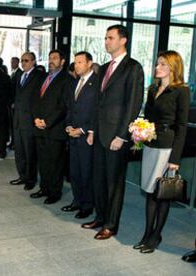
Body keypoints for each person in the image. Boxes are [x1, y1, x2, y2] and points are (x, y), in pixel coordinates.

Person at [82, 24, 144, 240]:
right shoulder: (105, 67)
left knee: (114, 183)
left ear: (123, 40)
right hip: (99, 133)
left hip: (116, 136)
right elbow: (97, 103)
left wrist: (121, 136)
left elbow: (133, 105)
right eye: (106, 38)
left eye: (110, 38)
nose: (106, 41)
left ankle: (111, 225)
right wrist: (91, 130)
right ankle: (100, 217)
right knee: (98, 179)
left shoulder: (133, 67)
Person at [133, 50, 190, 254]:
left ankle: (156, 236)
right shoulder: (152, 89)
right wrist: (140, 132)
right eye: (157, 64)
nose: (158, 67)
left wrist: (175, 158)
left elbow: (182, 127)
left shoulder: (181, 91)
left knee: (162, 193)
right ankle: (148, 234)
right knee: (150, 192)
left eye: (163, 64)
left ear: (173, 68)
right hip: (150, 145)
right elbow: (148, 118)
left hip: (167, 148)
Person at [30, 49, 72, 201]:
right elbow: (35, 100)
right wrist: (36, 119)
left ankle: (54, 193)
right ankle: (44, 188)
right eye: (49, 58)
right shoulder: (44, 78)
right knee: (43, 162)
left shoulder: (67, 80)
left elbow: (63, 106)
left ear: (62, 61)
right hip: (39, 128)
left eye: (55, 58)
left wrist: (47, 121)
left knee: (55, 163)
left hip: (55, 129)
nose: (51, 61)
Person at [63, 51, 98, 218]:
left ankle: (87, 205)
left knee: (86, 171)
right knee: (74, 171)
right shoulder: (75, 82)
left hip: (86, 135)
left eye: (80, 62)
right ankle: (77, 201)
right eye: (75, 62)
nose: (76, 65)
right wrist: (69, 126)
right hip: (73, 134)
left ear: (89, 63)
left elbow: (97, 111)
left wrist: (83, 129)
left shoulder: (97, 83)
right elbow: (70, 108)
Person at [9, 52, 44, 190]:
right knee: (19, 151)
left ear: (33, 61)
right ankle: (22, 176)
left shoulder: (39, 76)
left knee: (30, 152)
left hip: (29, 120)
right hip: (17, 119)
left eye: (27, 60)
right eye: (22, 60)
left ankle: (30, 179)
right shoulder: (19, 75)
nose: (23, 63)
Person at [8, 57, 22, 150]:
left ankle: (15, 143)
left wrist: (14, 102)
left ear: (17, 63)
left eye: (13, 62)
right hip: (10, 103)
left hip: (15, 103)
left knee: (15, 124)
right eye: (11, 62)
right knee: (11, 124)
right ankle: (12, 141)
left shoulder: (19, 74)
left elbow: (18, 90)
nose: (12, 63)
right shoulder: (13, 73)